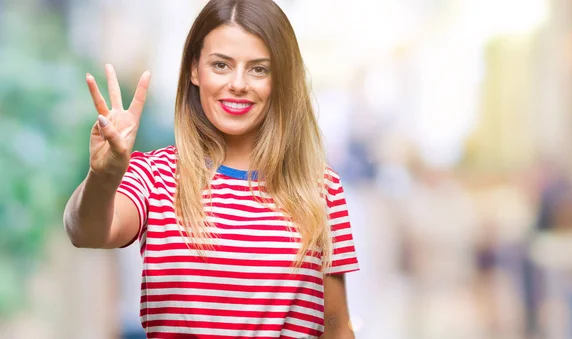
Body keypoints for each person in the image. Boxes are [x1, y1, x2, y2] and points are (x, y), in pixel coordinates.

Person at [62, 0, 360, 338]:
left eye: (259, 69)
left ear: (280, 79)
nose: (238, 83)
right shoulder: (156, 177)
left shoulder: (321, 187)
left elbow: (336, 326)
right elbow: (84, 232)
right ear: (195, 70)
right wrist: (103, 176)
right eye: (221, 65)